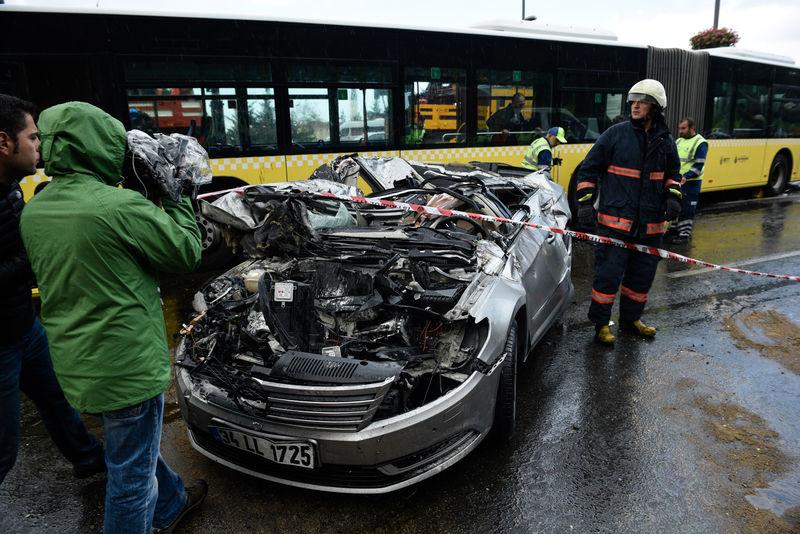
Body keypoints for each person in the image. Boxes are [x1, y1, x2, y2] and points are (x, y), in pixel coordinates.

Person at [19, 101, 207, 533]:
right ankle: (153, 509)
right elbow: (184, 252)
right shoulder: (117, 207)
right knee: (131, 481)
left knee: (131, 448)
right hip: (126, 366)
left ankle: (173, 501)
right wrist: (177, 196)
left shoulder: (37, 208)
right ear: (99, 145)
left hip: (78, 364)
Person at [0, 94, 105, 486]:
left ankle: (88, 459)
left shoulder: (12, 184)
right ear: (4, 142)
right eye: (33, 138)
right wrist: (35, 247)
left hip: (23, 328)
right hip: (1, 341)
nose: (40, 147)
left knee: (58, 399)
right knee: (4, 447)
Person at [575, 79, 681, 345]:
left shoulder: (666, 142)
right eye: (633, 100)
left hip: (650, 227)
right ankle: (601, 324)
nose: (635, 105)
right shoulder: (615, 135)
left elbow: (673, 175)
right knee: (608, 277)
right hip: (616, 225)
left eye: (642, 101)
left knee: (641, 278)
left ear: (655, 107)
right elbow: (587, 170)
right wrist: (586, 203)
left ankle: (631, 319)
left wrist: (673, 196)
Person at [668, 117, 708, 243]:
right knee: (675, 205)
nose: (680, 131)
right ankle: (673, 231)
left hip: (691, 182)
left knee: (687, 209)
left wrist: (687, 176)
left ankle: (684, 235)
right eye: (680, 128)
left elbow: (699, 165)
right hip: (678, 180)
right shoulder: (679, 141)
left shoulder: (700, 142)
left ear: (692, 128)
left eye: (683, 128)